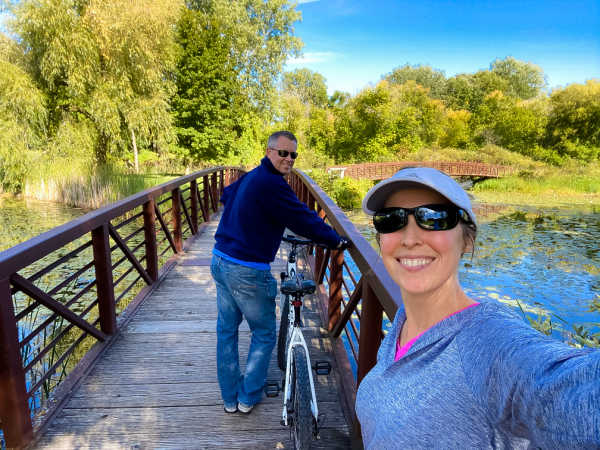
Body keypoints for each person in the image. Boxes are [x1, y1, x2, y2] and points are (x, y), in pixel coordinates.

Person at [355, 166, 600, 449]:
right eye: (391, 220)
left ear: (467, 239)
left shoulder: (489, 343)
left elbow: (569, 390)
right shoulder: (401, 325)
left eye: (435, 218)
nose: (409, 239)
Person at [210, 130, 348, 415]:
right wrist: (334, 240)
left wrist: (249, 216)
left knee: (226, 331)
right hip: (246, 269)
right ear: (269, 151)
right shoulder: (272, 183)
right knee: (263, 333)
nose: (289, 159)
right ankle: (248, 398)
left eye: (293, 155)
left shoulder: (251, 176)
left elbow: (226, 196)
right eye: (283, 153)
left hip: (220, 260)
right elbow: (302, 218)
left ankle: (229, 399)